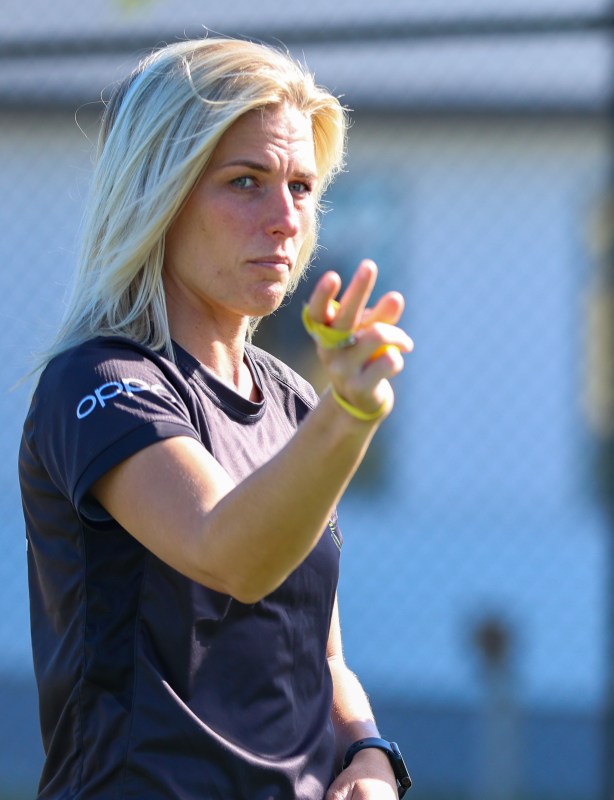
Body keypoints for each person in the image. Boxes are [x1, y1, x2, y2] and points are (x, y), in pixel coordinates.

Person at [20, 38, 415, 800]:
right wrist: (350, 414)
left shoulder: (295, 401)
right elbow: (228, 552)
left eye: (301, 187)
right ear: (159, 193)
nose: (285, 218)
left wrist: (369, 755)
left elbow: (321, 657)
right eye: (245, 182)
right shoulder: (99, 381)